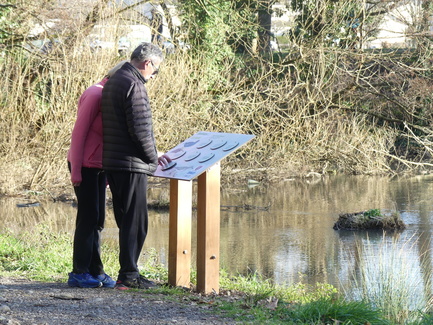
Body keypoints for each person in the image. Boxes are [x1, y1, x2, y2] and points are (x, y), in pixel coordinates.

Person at [101, 43, 171, 290]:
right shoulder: (134, 84)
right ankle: (129, 276)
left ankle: (127, 273)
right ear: (148, 63)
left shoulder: (115, 80)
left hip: (114, 162)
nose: (154, 76)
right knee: (136, 222)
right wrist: (153, 159)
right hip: (131, 164)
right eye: (156, 70)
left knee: (126, 220)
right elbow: (140, 130)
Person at [67, 61, 126, 288]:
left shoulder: (110, 97)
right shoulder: (95, 94)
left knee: (98, 220)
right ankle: (78, 272)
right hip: (85, 165)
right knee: (88, 219)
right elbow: (79, 134)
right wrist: (76, 171)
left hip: (100, 166)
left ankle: (96, 271)